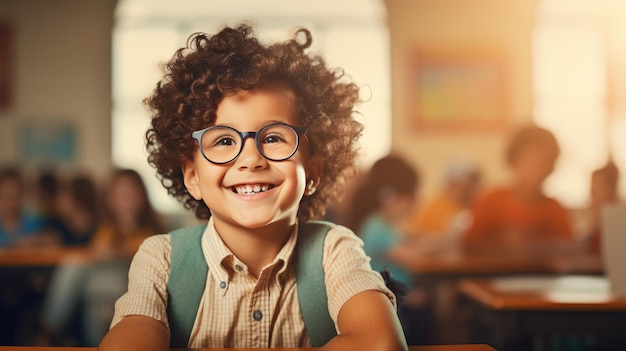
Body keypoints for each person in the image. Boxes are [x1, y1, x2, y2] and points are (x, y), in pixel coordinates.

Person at [99, 24, 407, 351]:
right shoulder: (162, 259)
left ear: (312, 171)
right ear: (192, 177)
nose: (250, 159)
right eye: (224, 140)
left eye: (273, 137)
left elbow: (380, 342)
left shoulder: (334, 251)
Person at [39, 168, 163, 346]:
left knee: (87, 276)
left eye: (130, 193)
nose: (125, 199)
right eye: (119, 194)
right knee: (86, 275)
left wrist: (120, 245)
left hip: (133, 284)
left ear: (142, 196)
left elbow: (147, 250)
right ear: (110, 200)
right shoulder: (106, 229)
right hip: (102, 287)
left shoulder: (153, 229)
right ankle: (88, 341)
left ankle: (49, 330)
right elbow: (97, 252)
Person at [344, 154, 432, 345]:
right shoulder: (376, 226)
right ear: (390, 197)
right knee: (425, 311)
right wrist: (440, 241)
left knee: (426, 303)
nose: (412, 205)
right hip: (388, 298)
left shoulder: (384, 224)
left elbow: (405, 242)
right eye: (410, 198)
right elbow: (412, 258)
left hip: (395, 293)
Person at [463, 124, 573, 256]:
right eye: (530, 162)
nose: (536, 171)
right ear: (514, 161)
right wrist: (502, 244)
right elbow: (468, 245)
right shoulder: (491, 201)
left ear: (551, 167)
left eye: (543, 163)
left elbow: (569, 249)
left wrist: (537, 244)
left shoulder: (554, 208)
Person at [0, 166, 46, 247]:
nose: (10, 199)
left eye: (14, 196)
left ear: (21, 194)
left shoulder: (36, 225)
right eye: (6, 196)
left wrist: (37, 241)